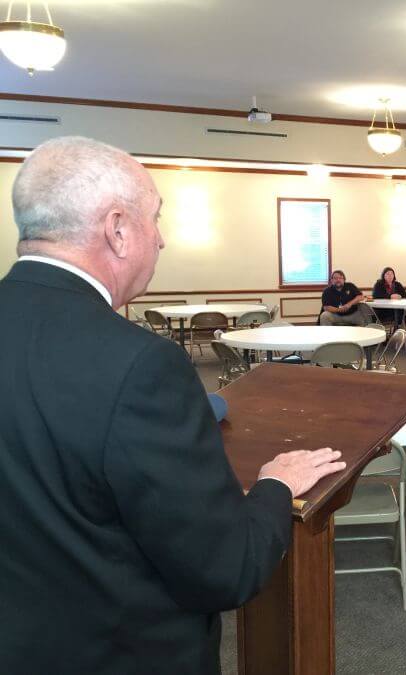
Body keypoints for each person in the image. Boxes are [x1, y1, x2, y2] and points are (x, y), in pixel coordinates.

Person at [0, 137, 347, 673]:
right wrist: (276, 484)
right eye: (155, 218)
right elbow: (226, 568)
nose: (161, 239)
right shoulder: (142, 364)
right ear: (118, 229)